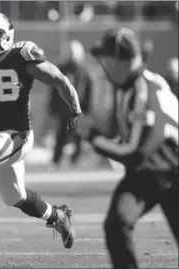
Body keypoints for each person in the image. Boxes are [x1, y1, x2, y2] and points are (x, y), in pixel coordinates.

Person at [0, 11, 82, 252]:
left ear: (7, 36)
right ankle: (58, 216)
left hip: (17, 133)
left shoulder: (22, 55)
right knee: (15, 198)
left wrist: (75, 110)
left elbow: (59, 79)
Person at [76, 27, 178, 269]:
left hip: (171, 170)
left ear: (117, 60)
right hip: (148, 171)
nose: (102, 64)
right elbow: (126, 136)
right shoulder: (130, 86)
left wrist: (91, 136)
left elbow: (136, 154)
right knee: (116, 224)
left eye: (105, 58)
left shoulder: (144, 90)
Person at [49, 40, 92, 167]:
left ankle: (76, 159)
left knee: (79, 135)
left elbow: (88, 90)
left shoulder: (83, 71)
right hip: (64, 109)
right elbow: (54, 89)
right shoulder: (61, 69)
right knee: (61, 135)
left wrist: (87, 108)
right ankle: (56, 160)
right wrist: (53, 106)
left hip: (78, 110)